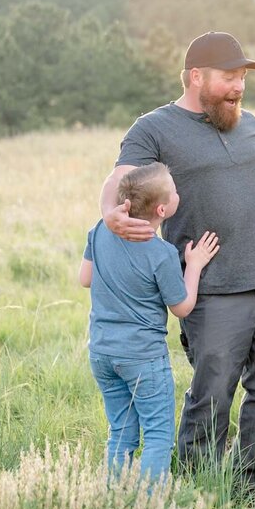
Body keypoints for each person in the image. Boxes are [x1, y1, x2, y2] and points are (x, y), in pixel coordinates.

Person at [99, 31, 255, 505]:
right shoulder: (155, 127)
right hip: (211, 288)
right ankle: (194, 490)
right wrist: (111, 213)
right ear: (196, 77)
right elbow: (119, 179)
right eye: (229, 78)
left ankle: (252, 489)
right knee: (213, 393)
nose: (238, 87)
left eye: (242, 78)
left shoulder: (249, 125)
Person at [78, 162, 220, 482]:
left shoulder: (99, 229)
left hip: (101, 351)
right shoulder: (162, 253)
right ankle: (149, 507)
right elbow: (181, 307)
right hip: (143, 357)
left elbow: (85, 278)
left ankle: (115, 501)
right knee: (157, 435)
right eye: (174, 191)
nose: (178, 193)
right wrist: (194, 265)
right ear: (162, 209)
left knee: (121, 432)